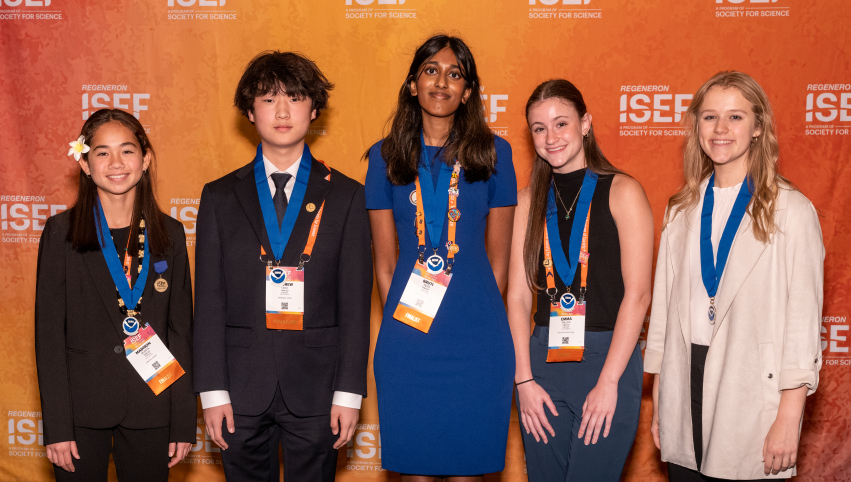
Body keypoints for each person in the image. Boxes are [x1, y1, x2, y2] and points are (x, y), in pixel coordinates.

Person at [193, 50, 372, 482]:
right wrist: (212, 392)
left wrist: (348, 393)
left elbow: (354, 304)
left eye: (294, 97)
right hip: (237, 389)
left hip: (318, 388)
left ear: (314, 109)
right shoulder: (219, 197)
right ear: (250, 112)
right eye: (269, 99)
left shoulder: (346, 195)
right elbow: (210, 303)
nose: (283, 110)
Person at [645, 71, 824, 481]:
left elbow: (802, 328)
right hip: (684, 380)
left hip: (749, 387)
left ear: (759, 127)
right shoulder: (680, 210)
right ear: (696, 126)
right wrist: (661, 400)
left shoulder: (793, 212)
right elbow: (665, 319)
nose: (720, 129)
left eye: (736, 117)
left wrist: (788, 419)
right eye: (709, 117)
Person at [365, 34, 517, 480]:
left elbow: (499, 262)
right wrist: (402, 327)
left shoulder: (494, 153)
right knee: (414, 472)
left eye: (455, 74)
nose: (441, 82)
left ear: (467, 92)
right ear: (413, 84)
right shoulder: (384, 156)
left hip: (478, 343)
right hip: (408, 344)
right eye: (431, 70)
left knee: (469, 472)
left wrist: (477, 318)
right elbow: (386, 264)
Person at [35, 108, 195, 481]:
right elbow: (48, 337)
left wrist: (183, 422)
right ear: (86, 164)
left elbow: (181, 333)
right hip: (79, 413)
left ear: (146, 158)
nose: (116, 163)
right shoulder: (60, 233)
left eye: (127, 150)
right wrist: (57, 426)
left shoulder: (170, 234)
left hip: (154, 406)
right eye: (102, 153)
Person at [506, 79, 652, 481]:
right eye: (538, 128)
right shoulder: (526, 200)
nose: (550, 137)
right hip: (541, 366)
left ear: (585, 124)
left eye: (561, 123)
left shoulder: (623, 191)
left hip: (608, 361)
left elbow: (638, 296)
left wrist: (609, 383)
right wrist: (524, 381)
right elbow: (517, 297)